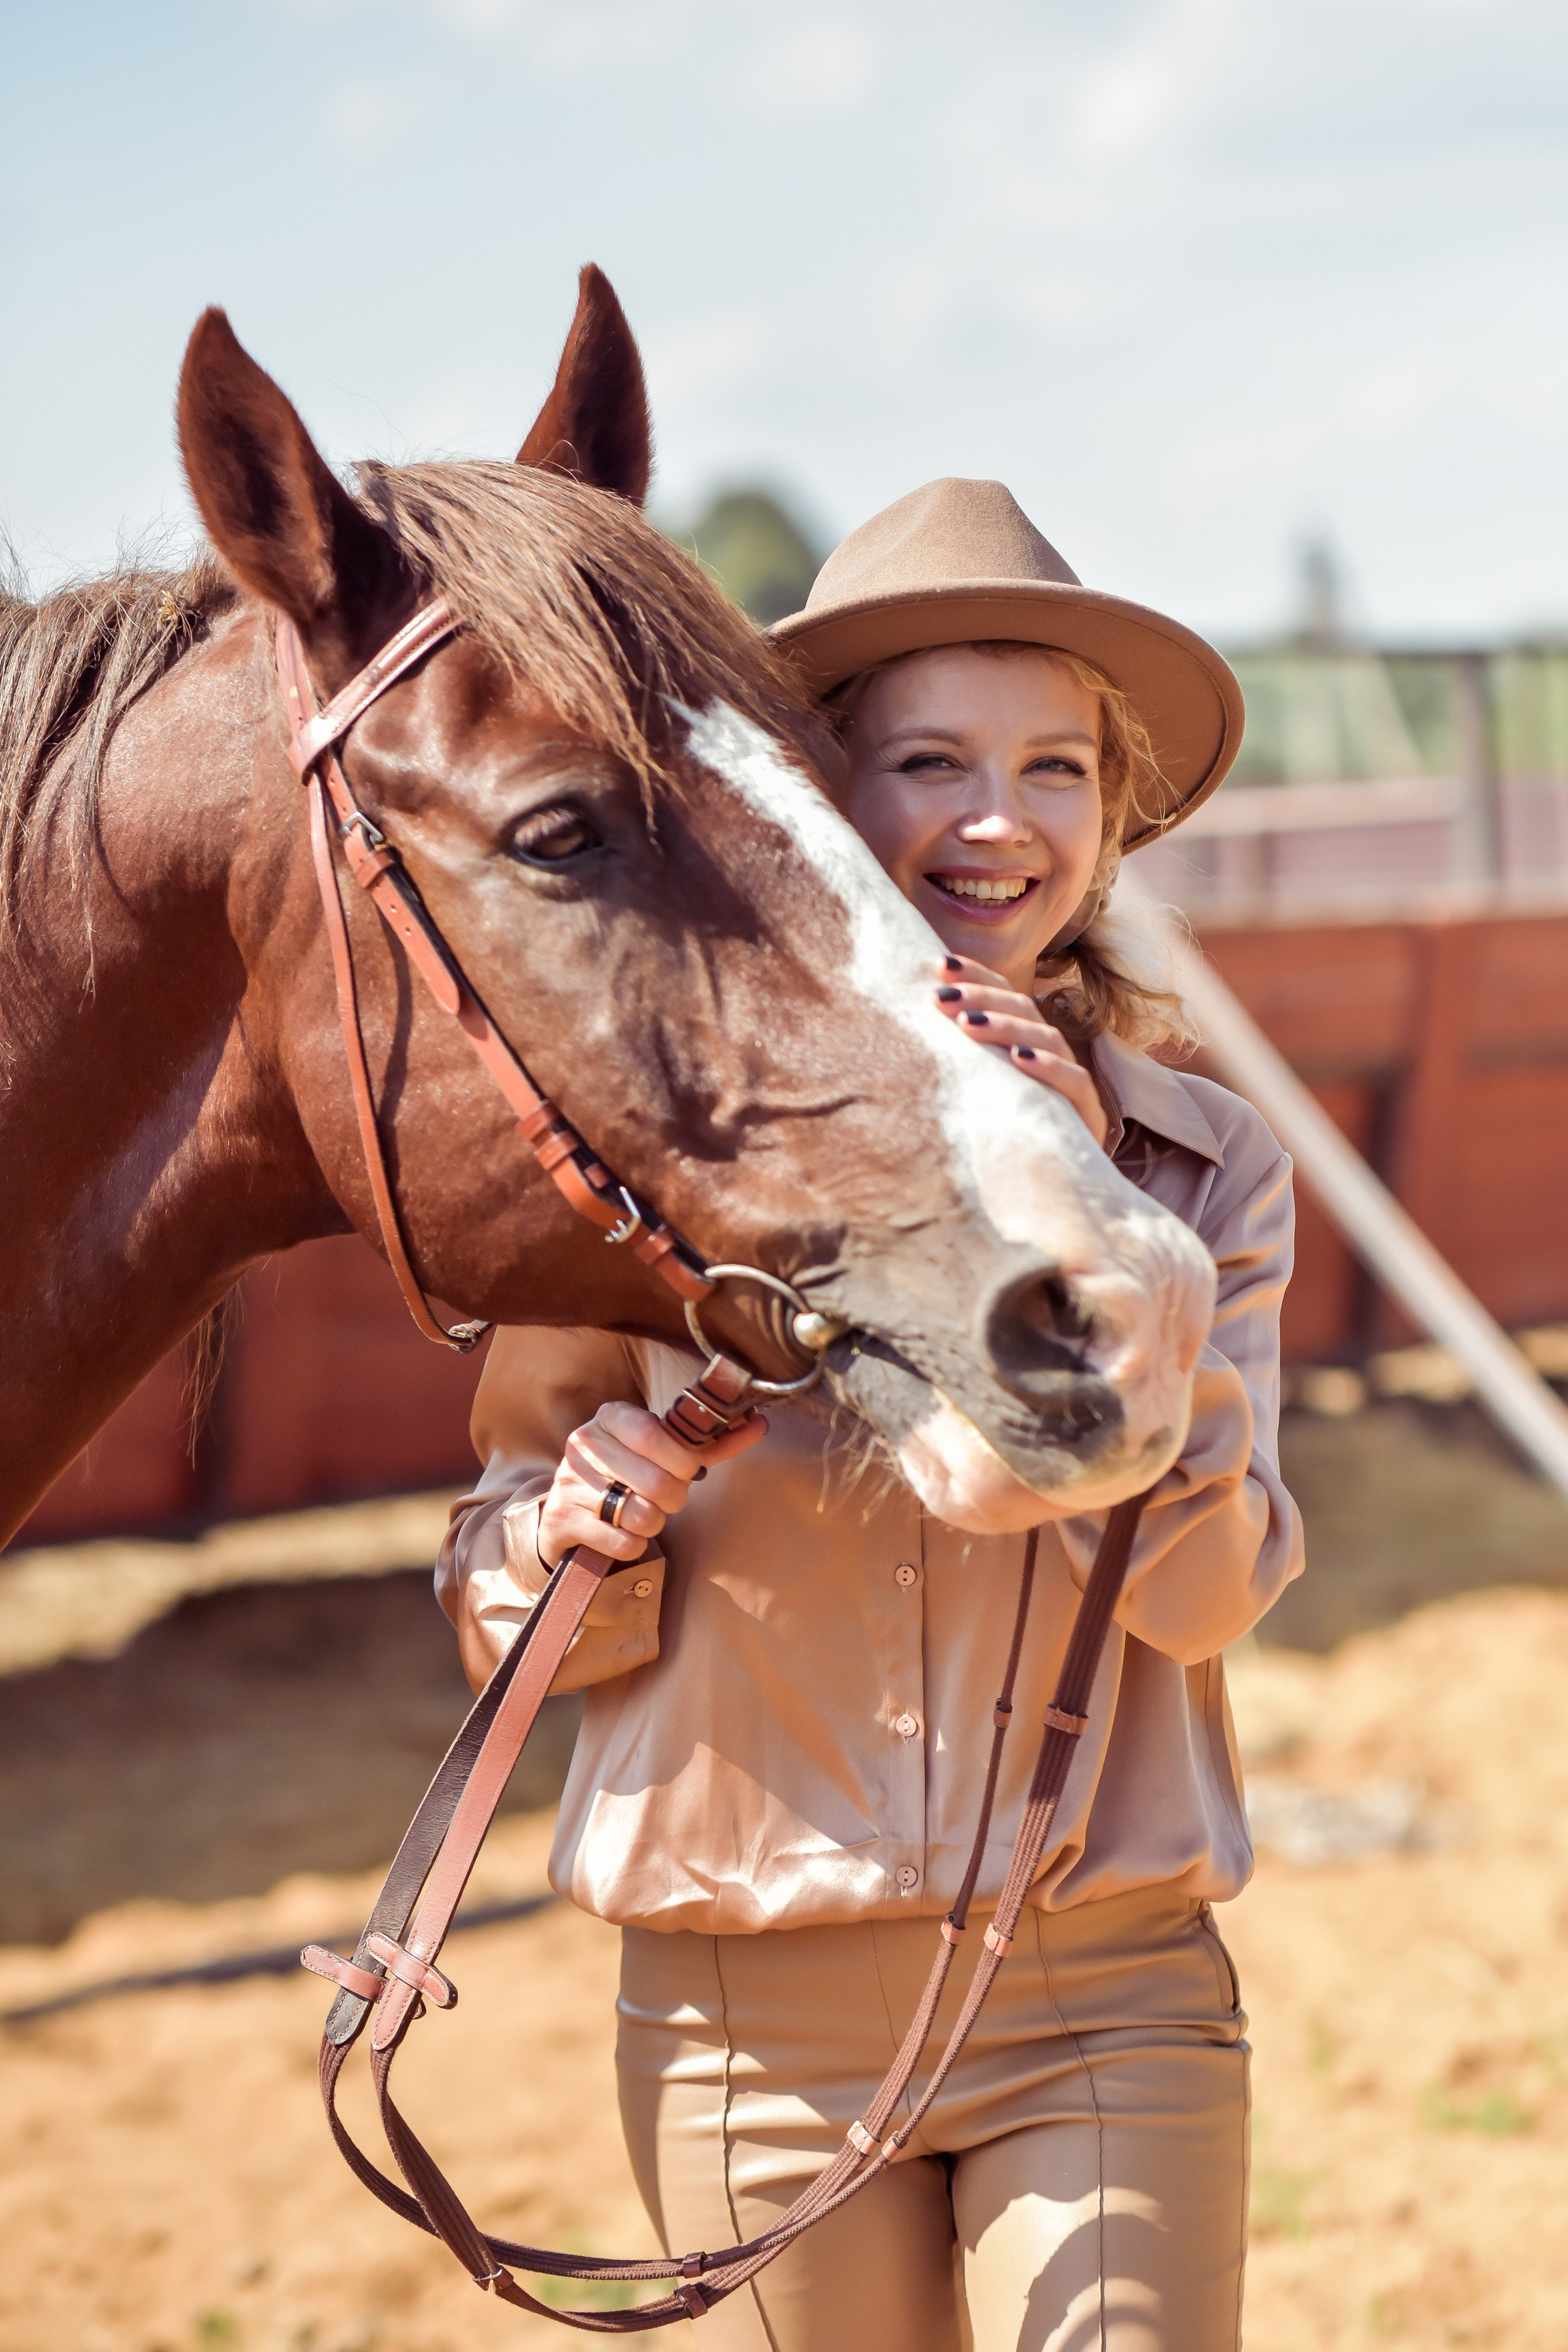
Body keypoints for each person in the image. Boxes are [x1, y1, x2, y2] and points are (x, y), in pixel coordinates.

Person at [437, 479, 1304, 2352]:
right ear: (819, 795)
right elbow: (511, 1621)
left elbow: (1206, 1598)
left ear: (1111, 811)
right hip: (743, 2031)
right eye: (933, 762)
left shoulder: (1203, 1164)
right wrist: (578, 1533)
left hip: (1108, 1999)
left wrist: (1096, 1216)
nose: (1003, 819)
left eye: (1057, 767)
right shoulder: (637, 1159)